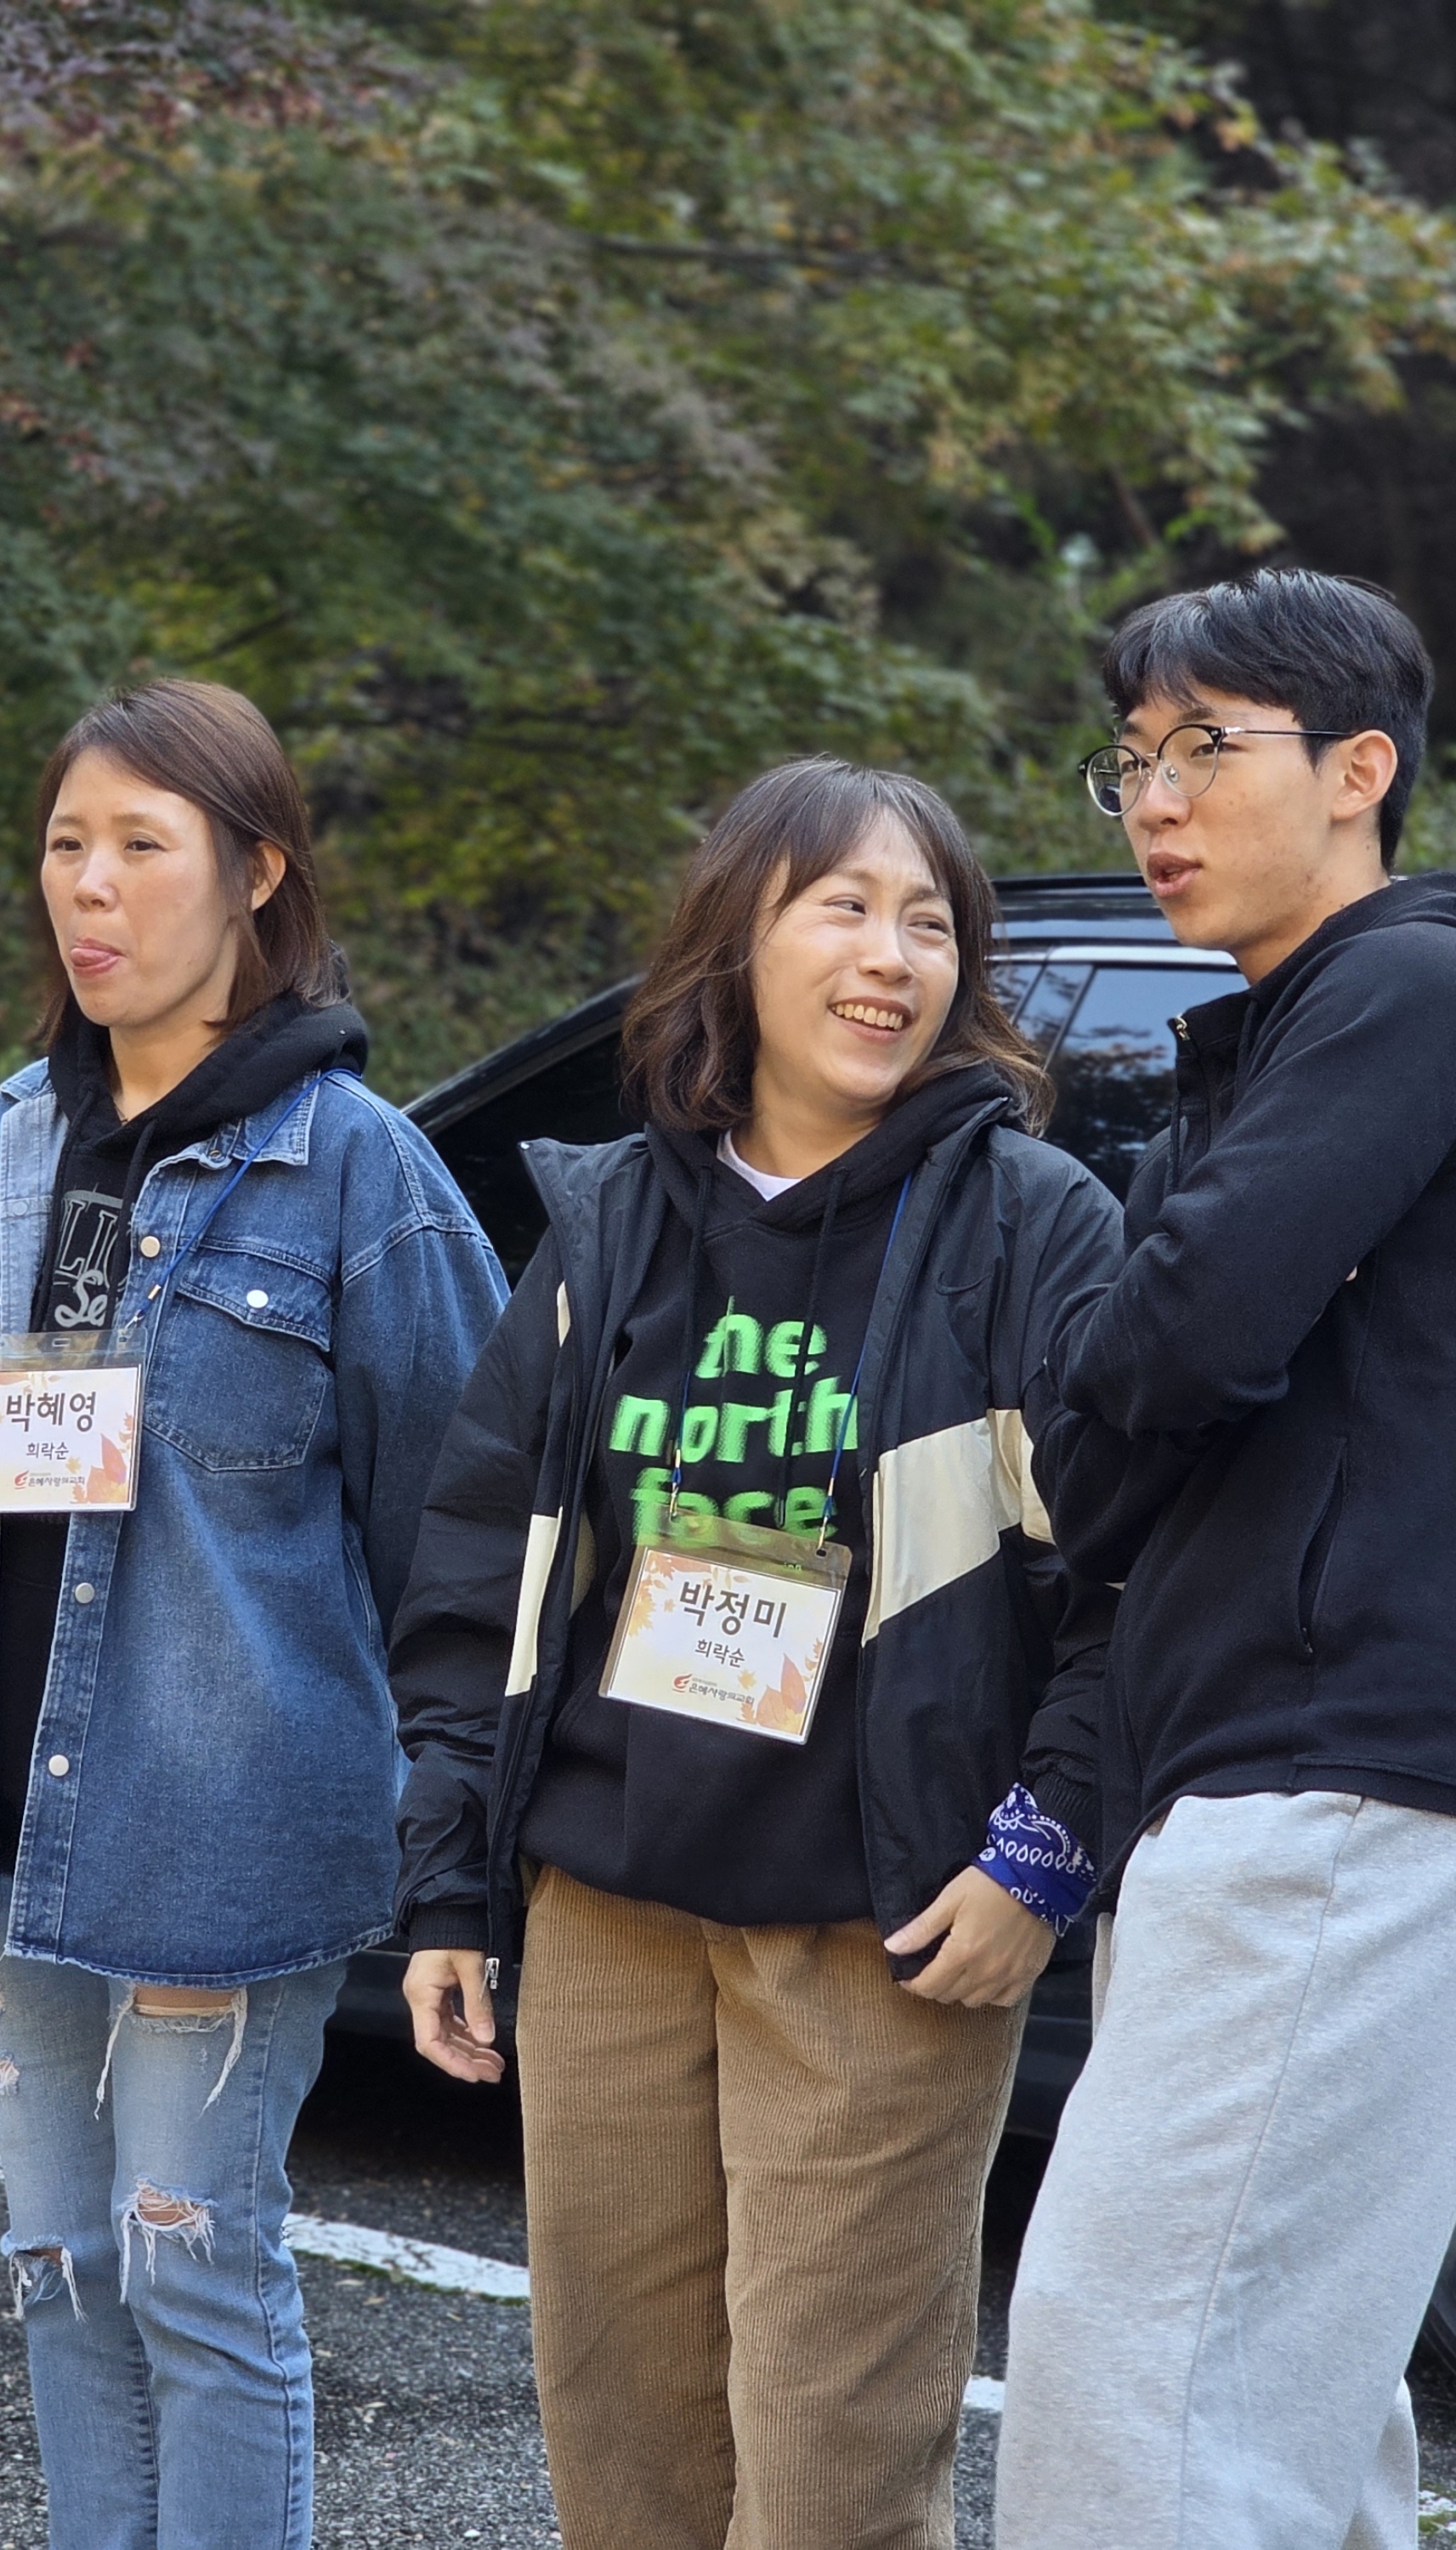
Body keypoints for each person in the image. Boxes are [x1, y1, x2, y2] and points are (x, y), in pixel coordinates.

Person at [391, 756, 1125, 2550]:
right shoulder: (611, 1227)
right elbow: (487, 1572)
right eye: (843, 908)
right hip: (605, 1915)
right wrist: (446, 1884)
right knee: (623, 2460)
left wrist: (1043, 1850)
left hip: (878, 1931)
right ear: (737, 940)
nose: (892, 958)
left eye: (930, 924)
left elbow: (1139, 1580)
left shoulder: (1032, 1226)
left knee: (827, 2484)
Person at [995, 571, 1456, 2549]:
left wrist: (1122, 1369)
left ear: (1358, 770)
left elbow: (1170, 1341)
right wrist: (1126, 1372)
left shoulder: (1407, 988)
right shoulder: (1270, 1036)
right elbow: (1112, 1432)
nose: (1153, 802)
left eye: (1202, 750)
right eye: (1128, 762)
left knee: (1131, 2377)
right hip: (1281, 1778)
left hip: (1345, 1779)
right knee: (1277, 2415)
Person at [0, 678, 503, 2550]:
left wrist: (457, 1857)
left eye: (140, 846)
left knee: (193, 2270)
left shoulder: (359, 1170)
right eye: (64, 845)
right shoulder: (18, 1136)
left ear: (256, 873)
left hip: (222, 1831)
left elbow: (465, 1545)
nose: (89, 886)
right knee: (60, 2266)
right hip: (10, 1823)